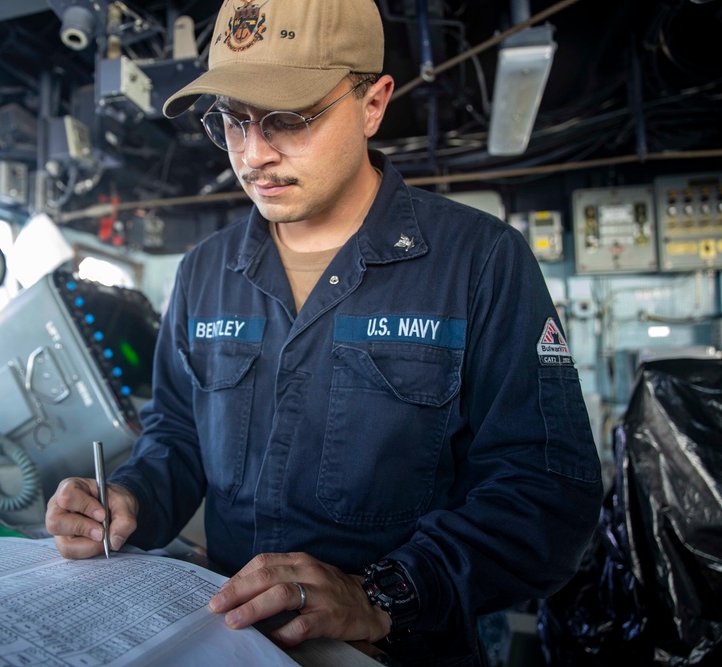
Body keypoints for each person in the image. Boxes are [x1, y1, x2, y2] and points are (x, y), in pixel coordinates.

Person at [45, 0, 604, 663]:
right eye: (231, 120)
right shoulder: (203, 272)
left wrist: (379, 594)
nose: (253, 154)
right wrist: (132, 496)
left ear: (373, 103)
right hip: (229, 639)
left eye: (289, 118)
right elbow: (177, 434)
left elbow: (547, 493)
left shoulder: (481, 262)